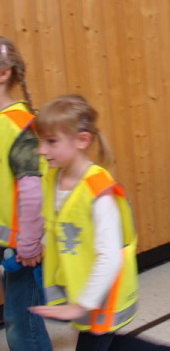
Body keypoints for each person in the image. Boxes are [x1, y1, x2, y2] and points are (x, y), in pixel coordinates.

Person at [29, 95, 170, 351]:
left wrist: (81, 305)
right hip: (84, 289)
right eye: (41, 141)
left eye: (51, 142)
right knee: (110, 345)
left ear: (82, 140)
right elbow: (53, 223)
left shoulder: (98, 190)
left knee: (99, 342)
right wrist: (37, 247)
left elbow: (110, 257)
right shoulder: (52, 178)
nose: (41, 150)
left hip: (104, 292)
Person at [0, 37, 52, 351]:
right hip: (9, 242)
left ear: (3, 73)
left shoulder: (16, 125)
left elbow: (32, 192)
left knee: (22, 323)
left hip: (22, 246)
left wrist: (30, 243)